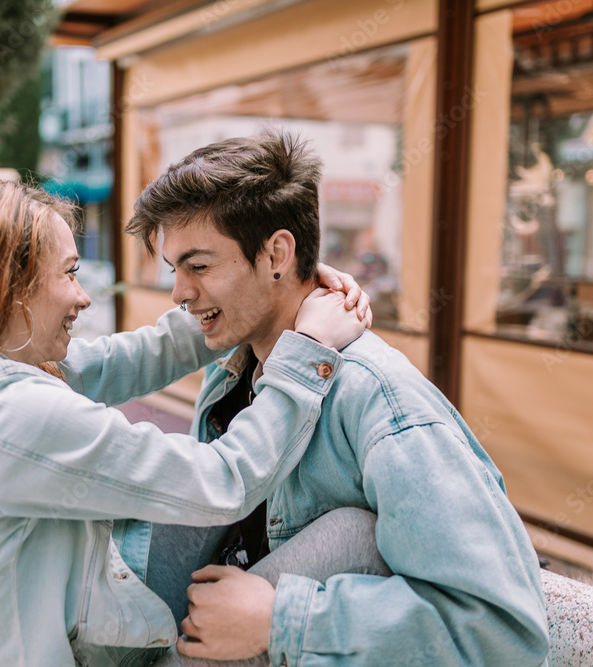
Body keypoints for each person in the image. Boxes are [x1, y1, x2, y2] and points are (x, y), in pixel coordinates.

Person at [0, 178, 371, 666]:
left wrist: (254, 290)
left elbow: (128, 358)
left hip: (88, 628)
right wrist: (310, 353)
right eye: (69, 272)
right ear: (6, 291)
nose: (83, 296)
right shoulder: (9, 414)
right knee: (356, 536)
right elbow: (223, 479)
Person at [122, 130, 551, 666]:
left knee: (355, 536)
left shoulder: (381, 401)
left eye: (199, 266)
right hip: (184, 635)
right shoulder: (230, 376)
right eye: (175, 270)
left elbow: (505, 631)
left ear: (277, 253)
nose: (179, 292)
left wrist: (284, 620)